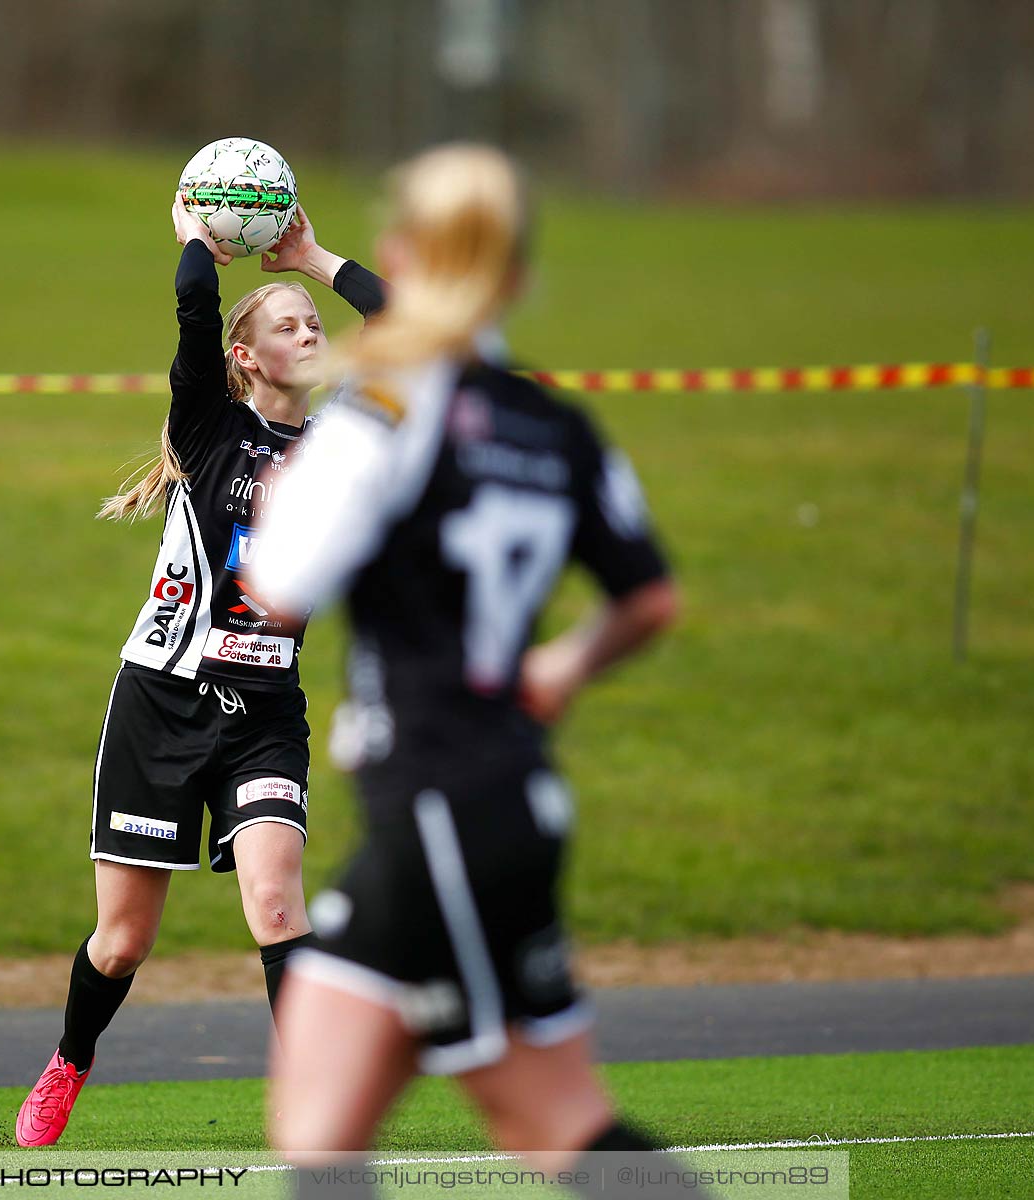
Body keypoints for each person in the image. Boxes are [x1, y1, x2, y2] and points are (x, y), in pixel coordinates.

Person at [250, 145, 700, 1198]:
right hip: (494, 800)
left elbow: (278, 585)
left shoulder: (386, 411)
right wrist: (561, 666)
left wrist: (286, 499)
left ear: (405, 252)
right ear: (518, 280)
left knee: (556, 1123)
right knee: (318, 1116)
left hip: (444, 808)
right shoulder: (557, 423)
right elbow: (651, 598)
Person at [13, 192, 387, 1148]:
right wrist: (196, 243)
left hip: (267, 709)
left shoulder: (344, 440)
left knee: (274, 899)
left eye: (314, 326)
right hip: (163, 700)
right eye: (290, 327)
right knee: (124, 939)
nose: (311, 333)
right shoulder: (210, 427)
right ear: (246, 357)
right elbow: (190, 312)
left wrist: (313, 260)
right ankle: (69, 1062)